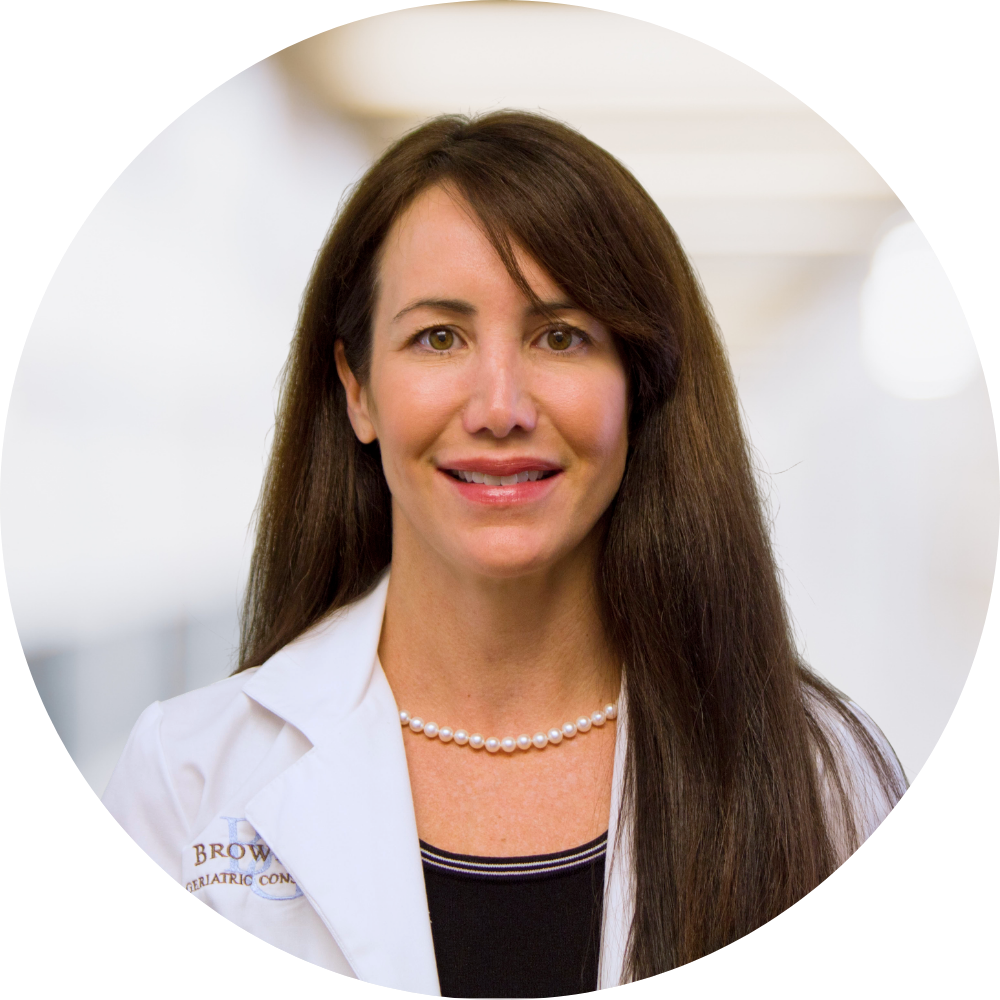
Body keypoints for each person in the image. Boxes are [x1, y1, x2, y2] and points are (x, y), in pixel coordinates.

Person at [103, 111, 907, 997]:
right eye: (438, 337)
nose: (499, 408)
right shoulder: (189, 779)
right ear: (357, 389)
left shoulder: (821, 777)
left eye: (560, 336)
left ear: (637, 386)